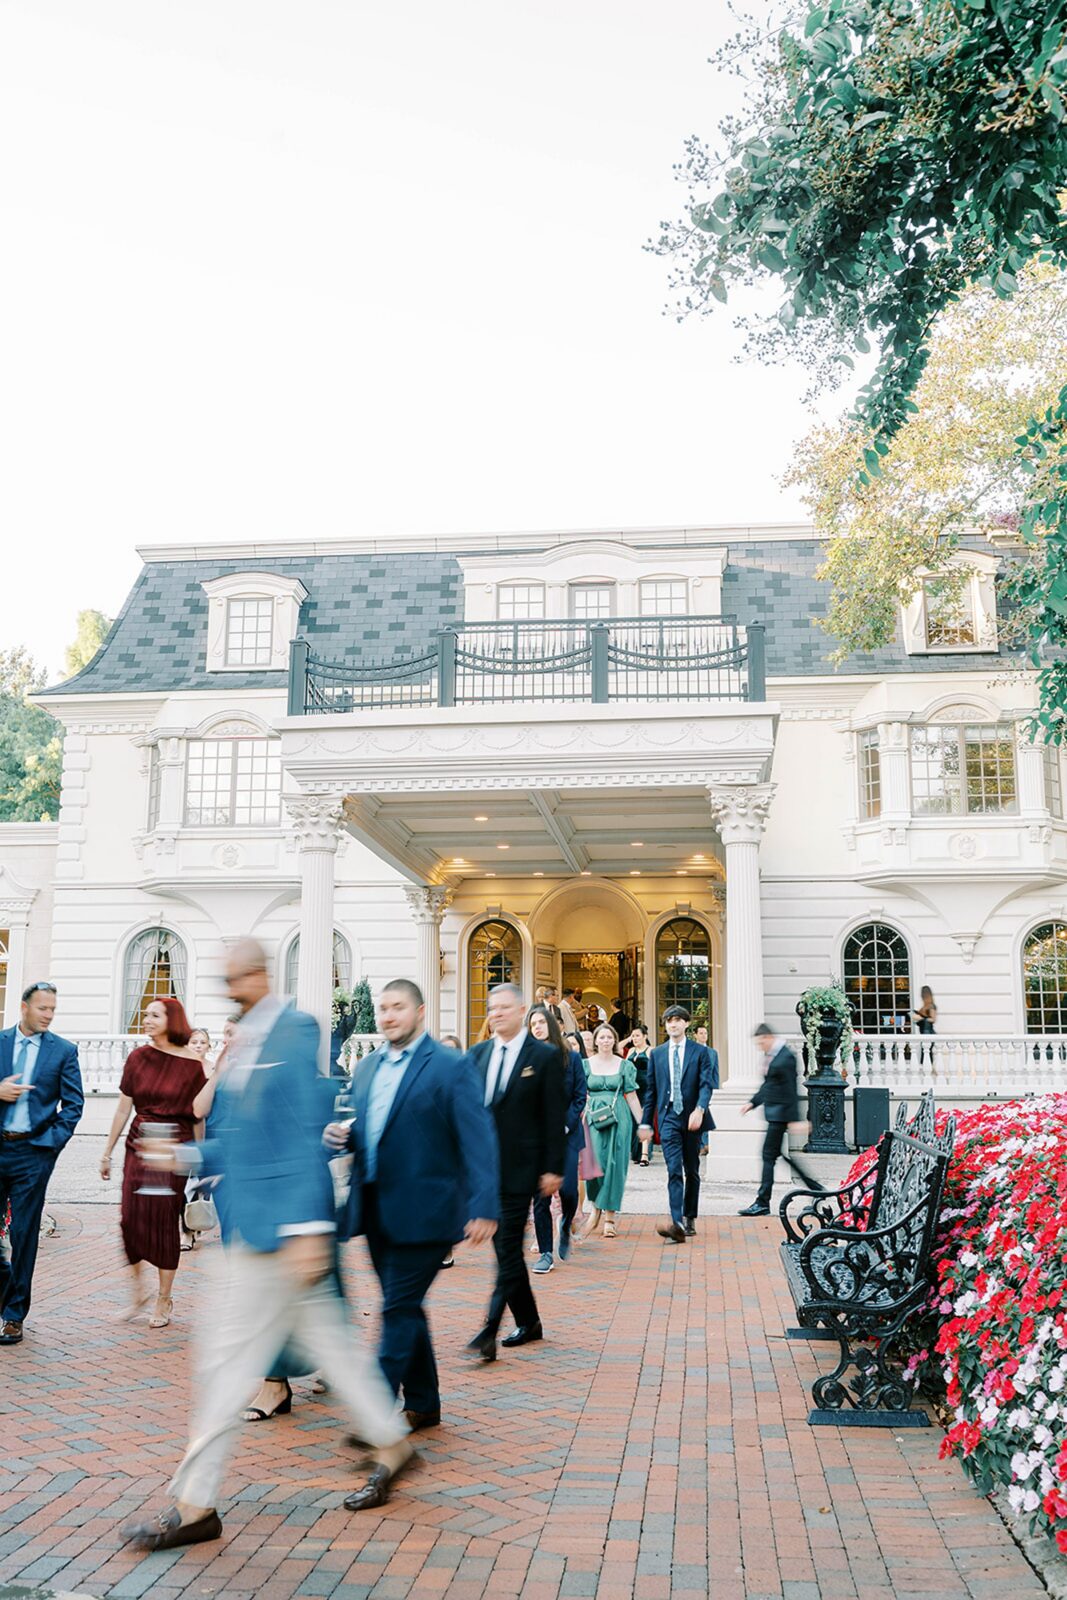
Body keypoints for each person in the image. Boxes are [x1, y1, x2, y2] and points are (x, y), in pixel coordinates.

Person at [121, 938, 411, 1552]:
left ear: (257, 974)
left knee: (223, 1365)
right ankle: (390, 1438)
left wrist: (308, 1228)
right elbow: (247, 1142)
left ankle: (196, 1505)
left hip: (280, 1235)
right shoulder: (241, 1045)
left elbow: (304, 1133)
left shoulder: (294, 1031)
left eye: (236, 977)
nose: (230, 989)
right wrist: (187, 1153)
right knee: (332, 1347)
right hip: (254, 1227)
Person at [325, 978, 498, 1429]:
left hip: (429, 1211)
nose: (387, 1015)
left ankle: (373, 1415)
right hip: (376, 1209)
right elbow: (372, 1131)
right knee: (403, 1304)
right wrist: (343, 1138)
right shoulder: (365, 1070)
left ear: (419, 1012)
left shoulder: (450, 1066)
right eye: (382, 1008)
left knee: (397, 1308)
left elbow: (477, 1138)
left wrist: (484, 1205)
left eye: (397, 1007)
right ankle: (424, 1402)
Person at [465, 982, 565, 1361]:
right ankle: (530, 1320)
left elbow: (553, 1117)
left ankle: (489, 1329)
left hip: (522, 1168)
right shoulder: (477, 1055)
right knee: (504, 1249)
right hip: (485, 1170)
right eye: (492, 1008)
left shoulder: (543, 1057)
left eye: (505, 1007)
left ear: (522, 1009)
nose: (497, 1014)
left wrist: (553, 1167)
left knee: (506, 1247)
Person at [100, 997, 206, 1327]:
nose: (146, 1019)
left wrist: (201, 1158)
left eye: (154, 1015)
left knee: (163, 1222)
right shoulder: (137, 1058)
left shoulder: (192, 1064)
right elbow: (122, 1108)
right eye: (145, 1014)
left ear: (171, 1020)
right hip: (139, 1145)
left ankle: (164, 1298)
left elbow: (198, 1116)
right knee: (129, 1219)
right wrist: (107, 1152)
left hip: (174, 1149)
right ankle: (138, 1293)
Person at [0, 982, 84, 1346]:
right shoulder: (0, 1042)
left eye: (53, 1009)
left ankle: (14, 1315)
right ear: (24, 1007)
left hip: (33, 1154)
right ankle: (8, 1286)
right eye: (43, 1008)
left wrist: (49, 1145)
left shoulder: (63, 1051)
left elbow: (74, 1105)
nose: (49, 1015)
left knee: (22, 1233)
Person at [639, 1005, 717, 1244]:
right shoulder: (658, 1054)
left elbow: (706, 1084)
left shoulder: (700, 1052)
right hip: (668, 1116)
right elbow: (651, 1091)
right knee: (673, 1169)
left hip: (693, 1116)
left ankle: (690, 1214)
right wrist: (645, 1123)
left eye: (677, 1020)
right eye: (668, 1021)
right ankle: (677, 1223)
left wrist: (700, 1109)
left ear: (686, 1024)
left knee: (691, 1169)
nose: (672, 1024)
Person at [528, 1005, 587, 1273]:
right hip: (537, 1138)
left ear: (551, 1025)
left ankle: (565, 1224)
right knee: (540, 1196)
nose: (537, 1027)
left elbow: (579, 1096)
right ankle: (546, 1253)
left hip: (567, 1134)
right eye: (532, 1024)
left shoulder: (571, 1058)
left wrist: (565, 1124)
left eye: (541, 1022)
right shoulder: (526, 1059)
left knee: (568, 1191)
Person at [738, 1024, 811, 1217]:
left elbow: (791, 1090)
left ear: (768, 1037)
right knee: (776, 1156)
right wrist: (752, 1103)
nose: (759, 1046)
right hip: (775, 1114)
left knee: (768, 1156)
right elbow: (768, 1085)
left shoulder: (785, 1057)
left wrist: (795, 1119)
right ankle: (814, 1186)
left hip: (780, 1115)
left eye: (761, 1042)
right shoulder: (772, 1056)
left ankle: (762, 1202)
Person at [581, 1024, 642, 1240]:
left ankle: (609, 1218)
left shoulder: (625, 1065)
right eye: (602, 1037)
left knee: (615, 1165)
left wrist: (642, 1124)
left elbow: (632, 1096)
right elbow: (578, 1093)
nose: (606, 1040)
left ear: (614, 1041)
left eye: (609, 1037)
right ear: (595, 1041)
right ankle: (596, 1207)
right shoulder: (585, 1065)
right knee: (594, 1164)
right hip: (593, 1119)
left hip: (619, 1118)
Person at [625, 1026, 652, 1165]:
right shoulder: (630, 1050)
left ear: (645, 1036)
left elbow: (655, 1071)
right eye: (633, 1036)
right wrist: (628, 1039)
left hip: (646, 1089)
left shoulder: (650, 1051)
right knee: (634, 1121)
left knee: (644, 1119)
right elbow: (617, 1049)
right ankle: (636, 1152)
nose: (634, 1038)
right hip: (632, 1090)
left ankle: (645, 1154)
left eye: (637, 1035)